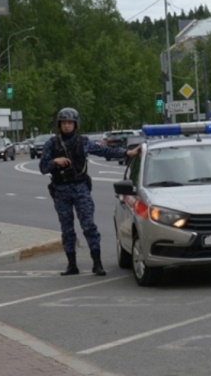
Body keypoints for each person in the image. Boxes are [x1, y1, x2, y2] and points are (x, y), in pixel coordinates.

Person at [40, 107, 140, 276]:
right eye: (64, 123)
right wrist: (55, 161)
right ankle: (72, 264)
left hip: (80, 188)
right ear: (59, 124)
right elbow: (43, 167)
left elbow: (104, 151)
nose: (66, 126)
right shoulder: (52, 143)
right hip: (61, 190)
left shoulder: (83, 142)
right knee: (67, 229)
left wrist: (127, 152)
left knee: (89, 226)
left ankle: (97, 263)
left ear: (75, 124)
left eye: (70, 123)